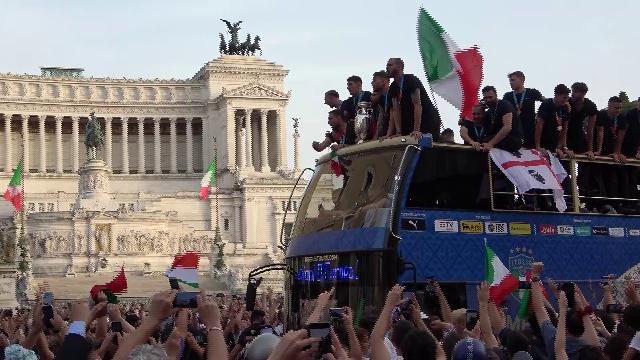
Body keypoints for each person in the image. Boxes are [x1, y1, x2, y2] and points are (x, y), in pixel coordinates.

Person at [386, 57, 442, 141]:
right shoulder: (393, 87)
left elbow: (417, 105)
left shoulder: (411, 80)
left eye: (390, 65)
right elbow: (396, 110)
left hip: (428, 120)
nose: (387, 67)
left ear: (400, 66)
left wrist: (416, 130)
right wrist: (397, 132)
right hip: (411, 123)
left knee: (425, 146)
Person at [502, 71, 545, 149]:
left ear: (522, 80)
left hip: (529, 133)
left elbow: (546, 102)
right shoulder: (507, 96)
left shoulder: (532, 92)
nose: (511, 83)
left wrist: (565, 103)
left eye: (513, 80)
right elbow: (500, 107)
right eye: (510, 81)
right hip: (514, 133)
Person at [479, 85, 523, 152]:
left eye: (490, 97)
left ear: (496, 95)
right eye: (485, 98)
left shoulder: (504, 104)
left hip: (513, 139)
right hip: (500, 139)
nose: (488, 100)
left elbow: (507, 127)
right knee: (481, 141)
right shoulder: (488, 111)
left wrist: (491, 144)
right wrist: (481, 111)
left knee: (485, 143)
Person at [564, 82, 599, 158]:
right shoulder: (567, 103)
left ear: (584, 93)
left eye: (575, 92)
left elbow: (590, 129)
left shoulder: (590, 106)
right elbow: (562, 127)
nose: (572, 94)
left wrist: (590, 150)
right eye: (572, 91)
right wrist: (564, 147)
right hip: (566, 134)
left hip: (579, 135)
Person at [535, 84, 572, 156]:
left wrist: (562, 147)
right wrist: (538, 146)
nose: (566, 100)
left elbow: (564, 130)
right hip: (543, 142)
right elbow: (539, 126)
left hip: (554, 143)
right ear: (556, 95)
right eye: (564, 97)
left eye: (567, 97)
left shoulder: (566, 108)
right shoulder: (546, 104)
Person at [371, 70, 391, 139]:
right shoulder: (381, 98)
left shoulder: (393, 93)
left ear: (384, 81)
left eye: (374, 80)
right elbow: (380, 120)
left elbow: (394, 116)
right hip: (386, 136)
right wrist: (375, 138)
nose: (372, 83)